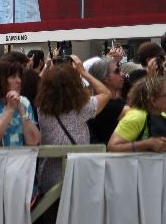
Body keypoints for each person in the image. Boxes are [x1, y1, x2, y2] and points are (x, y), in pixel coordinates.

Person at [34, 55, 111, 190]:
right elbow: (105, 93)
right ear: (75, 84)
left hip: (49, 178)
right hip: (75, 177)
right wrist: (83, 72)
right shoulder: (83, 107)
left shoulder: (41, 108)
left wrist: (49, 68)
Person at [0, 54, 41, 147]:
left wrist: (22, 112)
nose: (19, 81)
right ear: (0, 79)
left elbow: (34, 141)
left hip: (19, 160)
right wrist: (10, 110)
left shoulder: (24, 101)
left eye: (19, 76)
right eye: (13, 77)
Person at [106, 75, 166, 152]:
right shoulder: (136, 116)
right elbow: (112, 147)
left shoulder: (162, 114)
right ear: (153, 101)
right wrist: (148, 143)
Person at [87, 56, 127, 144]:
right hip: (107, 155)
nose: (122, 74)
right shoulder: (106, 106)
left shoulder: (118, 102)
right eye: (117, 71)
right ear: (105, 78)